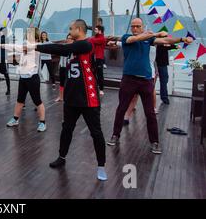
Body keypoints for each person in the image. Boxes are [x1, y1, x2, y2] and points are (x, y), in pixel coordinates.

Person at [33, 19, 107, 181]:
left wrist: (35, 46)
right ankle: (62, 157)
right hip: (72, 98)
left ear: (79, 30)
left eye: (71, 28)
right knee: (67, 128)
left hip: (89, 98)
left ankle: (101, 166)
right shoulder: (73, 47)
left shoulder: (86, 44)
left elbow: (61, 49)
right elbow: (62, 47)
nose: (69, 30)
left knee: (96, 133)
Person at [107, 18, 193, 154]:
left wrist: (182, 39)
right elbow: (134, 40)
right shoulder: (126, 37)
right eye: (133, 26)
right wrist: (154, 34)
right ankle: (115, 135)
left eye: (138, 26)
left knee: (150, 113)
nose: (135, 29)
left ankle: (155, 141)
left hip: (146, 81)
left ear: (142, 27)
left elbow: (165, 41)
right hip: (129, 79)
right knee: (121, 108)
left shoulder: (149, 40)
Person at [5, 27, 46, 132]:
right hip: (23, 77)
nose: (28, 36)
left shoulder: (37, 46)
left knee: (37, 101)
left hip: (33, 78)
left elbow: (24, 48)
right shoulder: (26, 44)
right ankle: (15, 119)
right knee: (20, 100)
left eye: (30, 34)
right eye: (27, 34)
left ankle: (42, 122)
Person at [89, 25, 107, 96]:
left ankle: (101, 89)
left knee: (100, 74)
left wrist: (90, 39)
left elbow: (91, 40)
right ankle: (94, 87)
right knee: (93, 73)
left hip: (99, 58)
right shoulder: (94, 38)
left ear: (100, 31)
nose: (94, 31)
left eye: (96, 30)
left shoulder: (102, 39)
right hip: (93, 57)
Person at [55, 34, 73, 102]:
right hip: (62, 66)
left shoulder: (74, 47)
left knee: (70, 83)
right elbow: (60, 56)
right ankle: (60, 97)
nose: (69, 40)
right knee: (61, 82)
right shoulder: (64, 46)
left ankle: (70, 97)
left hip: (70, 67)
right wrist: (59, 64)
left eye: (71, 38)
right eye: (68, 38)